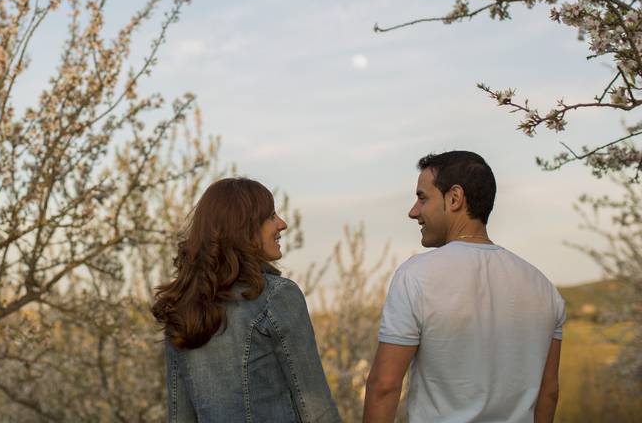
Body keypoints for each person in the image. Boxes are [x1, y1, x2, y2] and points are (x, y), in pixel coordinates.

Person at [363, 151, 565, 423]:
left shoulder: (416, 276)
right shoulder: (544, 288)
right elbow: (548, 392)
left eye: (422, 198)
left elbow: (384, 387)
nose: (413, 212)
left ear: (454, 198)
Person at [151, 177, 341, 423]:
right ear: (245, 228)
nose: (282, 224)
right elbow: (316, 408)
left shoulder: (184, 306)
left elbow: (180, 417)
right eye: (271, 216)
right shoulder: (277, 296)